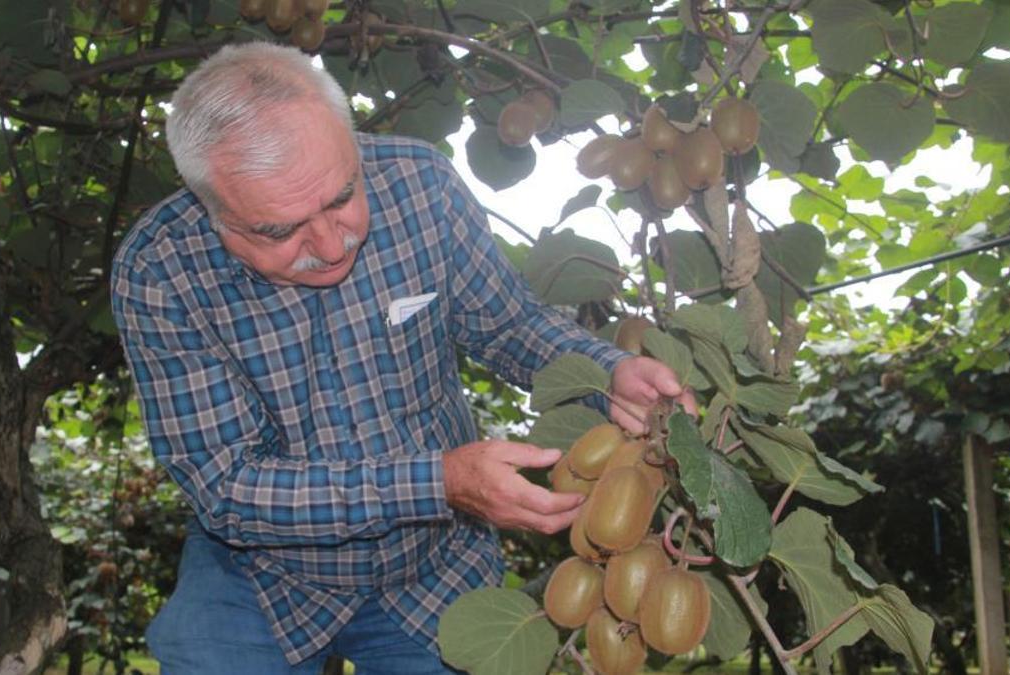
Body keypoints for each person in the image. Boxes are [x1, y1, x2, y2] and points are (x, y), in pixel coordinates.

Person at [111, 42, 693, 674]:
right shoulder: (159, 271)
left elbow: (510, 327)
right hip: (257, 576)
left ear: (353, 146)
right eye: (281, 231)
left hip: (434, 568)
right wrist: (440, 482)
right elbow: (227, 486)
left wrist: (605, 373)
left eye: (342, 197)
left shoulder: (420, 185)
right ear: (212, 210)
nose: (332, 246)